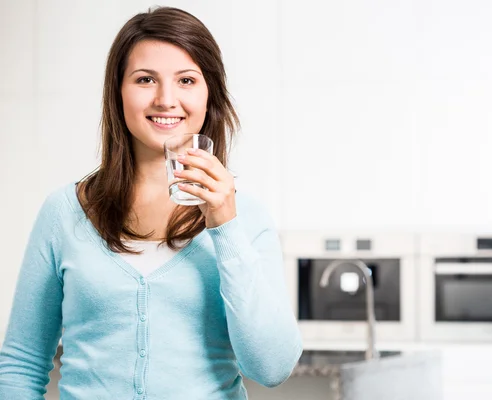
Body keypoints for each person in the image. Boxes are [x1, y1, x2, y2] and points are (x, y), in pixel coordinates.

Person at [0, 6, 302, 399]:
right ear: (118, 92)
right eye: (145, 79)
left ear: (209, 93)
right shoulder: (64, 211)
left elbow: (272, 368)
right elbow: (22, 363)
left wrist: (225, 227)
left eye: (186, 80)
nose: (166, 99)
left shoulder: (246, 218)